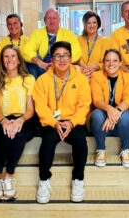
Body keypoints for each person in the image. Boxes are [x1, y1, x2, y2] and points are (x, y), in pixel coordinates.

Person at [33, 41, 91, 203]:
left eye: (65, 55)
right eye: (57, 56)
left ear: (71, 58)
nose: (62, 59)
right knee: (48, 142)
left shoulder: (80, 79)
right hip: (52, 122)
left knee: (80, 141)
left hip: (73, 121)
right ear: (51, 59)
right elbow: (41, 106)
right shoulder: (43, 80)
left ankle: (78, 180)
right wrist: (54, 123)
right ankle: (44, 180)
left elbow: (84, 105)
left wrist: (72, 122)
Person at [0, 45, 37, 202]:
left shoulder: (28, 79)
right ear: (2, 60)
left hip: (25, 119)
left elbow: (30, 109)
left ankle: (8, 176)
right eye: (6, 56)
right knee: (5, 135)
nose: (9, 59)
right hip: (1, 119)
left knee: (17, 134)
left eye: (13, 56)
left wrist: (20, 120)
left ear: (18, 60)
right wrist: (4, 121)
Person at [90, 49, 129, 167]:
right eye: (107, 60)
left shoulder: (128, 78)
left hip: (120, 118)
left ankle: (125, 149)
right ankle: (101, 149)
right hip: (102, 118)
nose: (111, 64)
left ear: (120, 63)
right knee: (97, 114)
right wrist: (109, 110)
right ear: (103, 63)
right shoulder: (96, 76)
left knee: (126, 117)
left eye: (115, 60)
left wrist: (115, 113)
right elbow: (97, 100)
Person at [22, 8, 82, 79]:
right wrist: (39, 62)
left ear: (59, 20)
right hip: (43, 67)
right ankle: (43, 83)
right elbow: (26, 50)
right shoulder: (37, 33)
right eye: (49, 18)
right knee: (32, 61)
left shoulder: (69, 34)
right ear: (44, 20)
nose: (52, 21)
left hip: (61, 65)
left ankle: (49, 81)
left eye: (54, 18)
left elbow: (77, 52)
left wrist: (60, 61)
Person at [77, 11, 111, 80]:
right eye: (88, 23)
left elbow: (110, 62)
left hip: (99, 74)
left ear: (98, 24)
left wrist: (97, 66)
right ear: (85, 25)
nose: (92, 25)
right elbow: (74, 59)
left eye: (94, 22)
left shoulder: (106, 41)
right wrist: (81, 65)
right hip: (81, 73)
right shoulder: (78, 40)